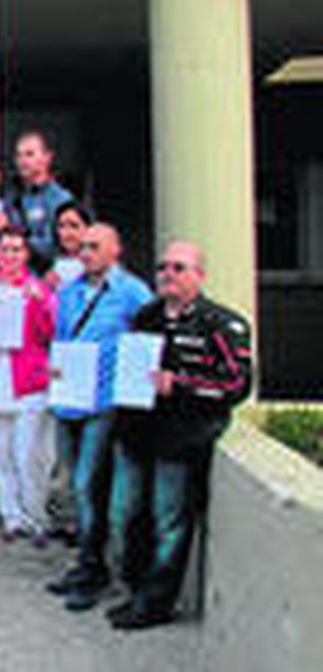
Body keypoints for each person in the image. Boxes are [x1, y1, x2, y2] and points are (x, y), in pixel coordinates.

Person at [107, 241, 252, 631]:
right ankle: (135, 588)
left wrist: (182, 385)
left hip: (182, 439)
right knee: (125, 514)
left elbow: (237, 385)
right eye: (163, 267)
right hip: (137, 433)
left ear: (199, 276)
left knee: (168, 521)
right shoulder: (146, 315)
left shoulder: (222, 323)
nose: (168, 274)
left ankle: (155, 604)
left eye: (179, 268)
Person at [46, 223, 154, 612]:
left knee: (89, 484)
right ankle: (85, 563)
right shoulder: (71, 290)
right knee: (76, 488)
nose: (85, 252)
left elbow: (148, 342)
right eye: (83, 247)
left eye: (94, 246)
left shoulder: (132, 292)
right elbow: (60, 338)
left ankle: (97, 570)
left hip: (103, 403)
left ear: (115, 251)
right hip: (68, 399)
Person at [0, 227, 58, 544]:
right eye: (4, 249)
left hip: (29, 379)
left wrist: (42, 304)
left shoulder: (37, 290)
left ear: (25, 254)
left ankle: (37, 517)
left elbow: (51, 332)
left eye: (16, 250)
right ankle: (11, 517)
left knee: (30, 455)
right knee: (0, 452)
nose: (10, 256)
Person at [0, 130, 76, 264]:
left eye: (29, 154)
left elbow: (52, 246)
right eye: (18, 155)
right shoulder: (12, 196)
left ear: (47, 157)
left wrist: (11, 229)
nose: (23, 161)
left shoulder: (60, 199)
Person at [47, 202, 92, 289]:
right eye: (62, 226)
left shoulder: (101, 266)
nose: (67, 233)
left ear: (88, 228)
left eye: (74, 226)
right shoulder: (53, 268)